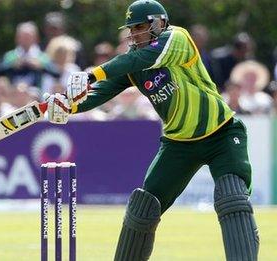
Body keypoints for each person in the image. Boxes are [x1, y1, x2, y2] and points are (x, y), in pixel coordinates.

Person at [44, 1, 259, 260]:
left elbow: (142, 58)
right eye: (131, 29)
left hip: (221, 134)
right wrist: (68, 105)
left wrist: (92, 74)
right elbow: (103, 91)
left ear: (159, 23)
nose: (134, 34)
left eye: (140, 27)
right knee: (143, 209)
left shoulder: (177, 38)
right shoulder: (135, 64)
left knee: (232, 199)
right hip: (179, 144)